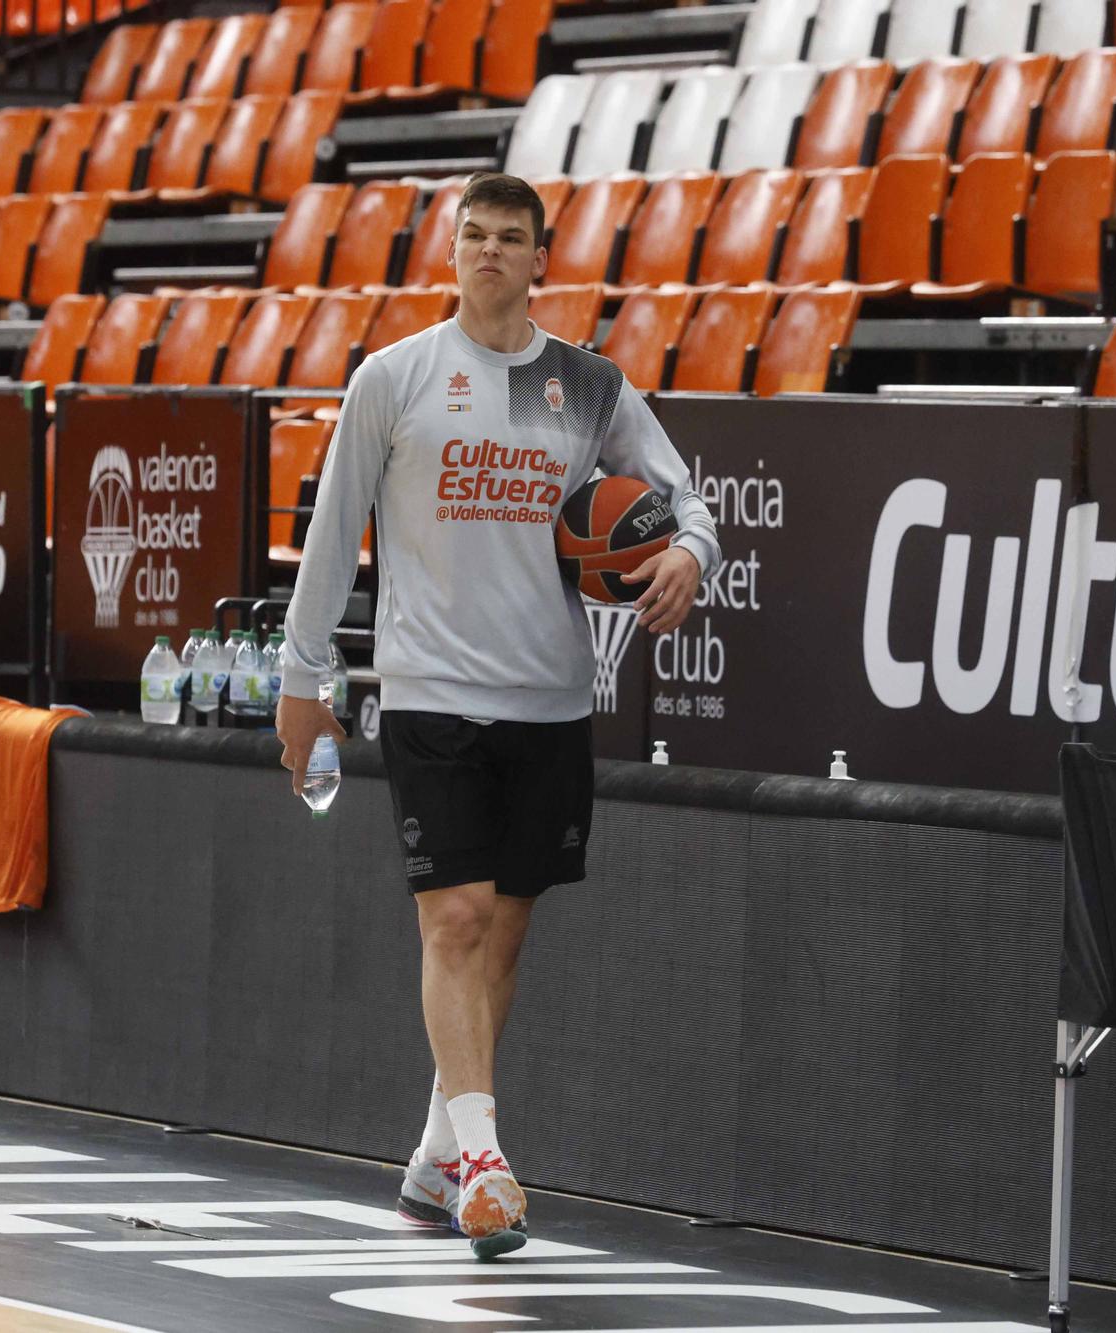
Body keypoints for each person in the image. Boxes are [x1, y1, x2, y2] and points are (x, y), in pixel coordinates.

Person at [273, 173, 721, 1259]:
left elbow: (687, 501)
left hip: (550, 699)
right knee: (456, 919)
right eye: (469, 235)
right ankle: (483, 1163)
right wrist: (303, 681)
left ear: (537, 261)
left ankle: (435, 1152)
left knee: (503, 931)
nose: (484, 253)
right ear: (451, 252)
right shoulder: (394, 378)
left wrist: (687, 553)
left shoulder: (586, 384)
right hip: (429, 692)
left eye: (506, 239)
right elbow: (332, 536)